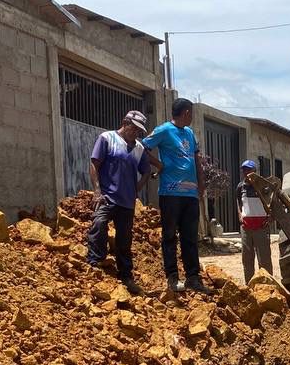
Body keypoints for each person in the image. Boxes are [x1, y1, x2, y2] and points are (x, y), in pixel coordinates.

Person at [144, 98, 212, 295]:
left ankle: (193, 278)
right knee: (169, 236)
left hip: (190, 196)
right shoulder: (164, 130)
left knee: (190, 238)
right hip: (170, 193)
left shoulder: (190, 133)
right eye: (191, 112)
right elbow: (143, 147)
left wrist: (201, 186)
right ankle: (172, 278)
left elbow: (196, 161)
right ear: (186, 113)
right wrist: (159, 165)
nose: (191, 116)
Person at [86, 110, 150, 294]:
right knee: (98, 223)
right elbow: (94, 164)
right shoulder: (107, 138)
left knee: (125, 238)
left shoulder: (139, 148)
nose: (136, 133)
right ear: (125, 122)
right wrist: (97, 191)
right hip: (107, 196)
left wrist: (137, 188)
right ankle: (95, 263)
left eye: (139, 131)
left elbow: (146, 170)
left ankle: (126, 275)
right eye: (134, 128)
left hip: (127, 202)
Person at [237, 160, 273, 283]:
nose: (246, 172)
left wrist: (270, 218)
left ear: (255, 171)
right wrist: (240, 215)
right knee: (247, 258)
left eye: (249, 170)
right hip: (246, 228)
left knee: (264, 259)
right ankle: (250, 285)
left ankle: (267, 285)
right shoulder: (240, 187)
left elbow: (272, 203)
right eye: (244, 170)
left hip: (261, 227)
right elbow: (238, 202)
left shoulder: (264, 187)